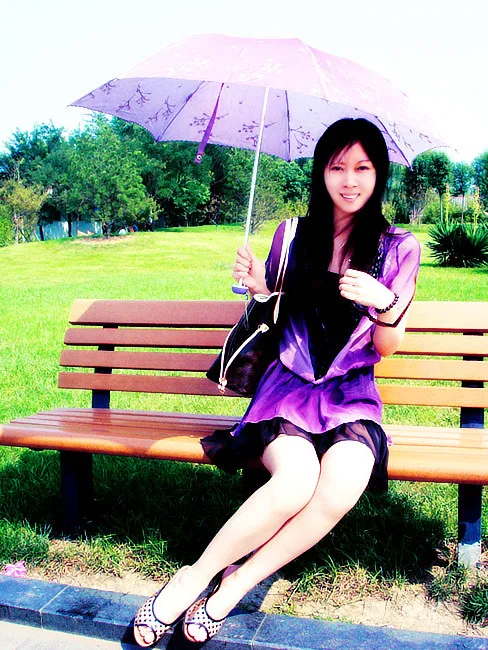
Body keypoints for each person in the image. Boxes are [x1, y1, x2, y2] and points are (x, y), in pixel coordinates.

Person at [133, 118, 421, 647]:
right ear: (321, 172)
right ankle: (192, 577)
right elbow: (274, 315)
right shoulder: (291, 234)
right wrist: (260, 288)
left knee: (345, 480)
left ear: (379, 174)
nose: (349, 180)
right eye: (337, 167)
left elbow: (385, 347)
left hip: (351, 395)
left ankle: (235, 585)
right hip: (287, 388)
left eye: (362, 168)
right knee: (295, 479)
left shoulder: (398, 248)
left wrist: (385, 304)